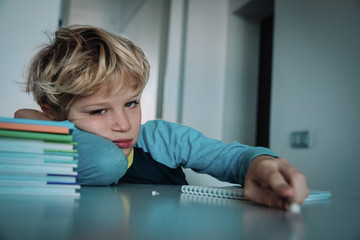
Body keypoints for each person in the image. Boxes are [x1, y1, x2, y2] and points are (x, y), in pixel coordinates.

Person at [15, 25, 308, 210]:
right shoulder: (55, 151)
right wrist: (52, 125)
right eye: (99, 110)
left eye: (131, 103)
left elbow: (231, 158)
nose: (124, 124)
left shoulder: (162, 140)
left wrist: (261, 163)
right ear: (53, 112)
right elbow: (104, 163)